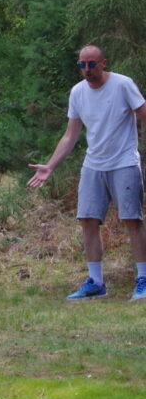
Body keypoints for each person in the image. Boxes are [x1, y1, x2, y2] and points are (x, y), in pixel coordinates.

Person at [27, 44, 146, 301]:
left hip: (124, 162)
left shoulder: (123, 85)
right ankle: (96, 283)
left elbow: (143, 114)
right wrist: (50, 165)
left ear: (104, 63)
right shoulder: (78, 92)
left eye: (92, 64)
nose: (87, 70)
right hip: (94, 164)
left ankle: (143, 280)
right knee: (88, 220)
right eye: (82, 65)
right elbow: (71, 135)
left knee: (132, 221)